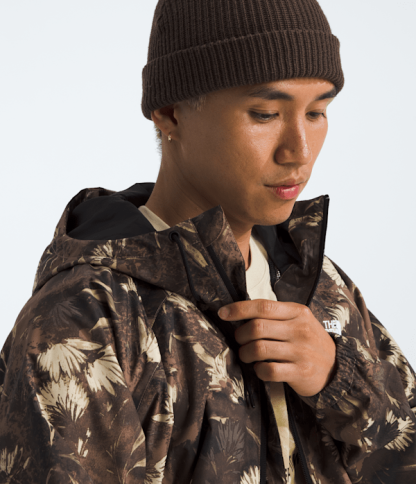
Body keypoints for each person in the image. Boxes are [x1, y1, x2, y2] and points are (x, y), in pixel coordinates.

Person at [0, 0, 415, 482]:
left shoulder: (319, 285)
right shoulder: (87, 319)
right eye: (265, 114)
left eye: (317, 112)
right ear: (170, 114)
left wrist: (338, 380)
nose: (299, 151)